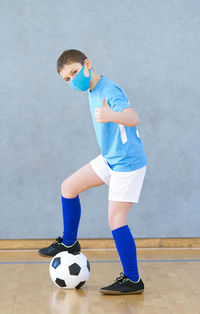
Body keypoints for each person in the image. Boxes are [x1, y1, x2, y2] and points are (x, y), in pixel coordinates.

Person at [38, 49, 148, 295]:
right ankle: (69, 241)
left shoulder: (109, 90)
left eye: (74, 72)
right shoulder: (91, 90)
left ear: (87, 64)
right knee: (68, 187)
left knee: (116, 221)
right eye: (67, 79)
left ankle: (133, 280)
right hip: (111, 158)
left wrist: (111, 115)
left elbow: (133, 117)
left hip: (127, 163)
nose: (72, 80)